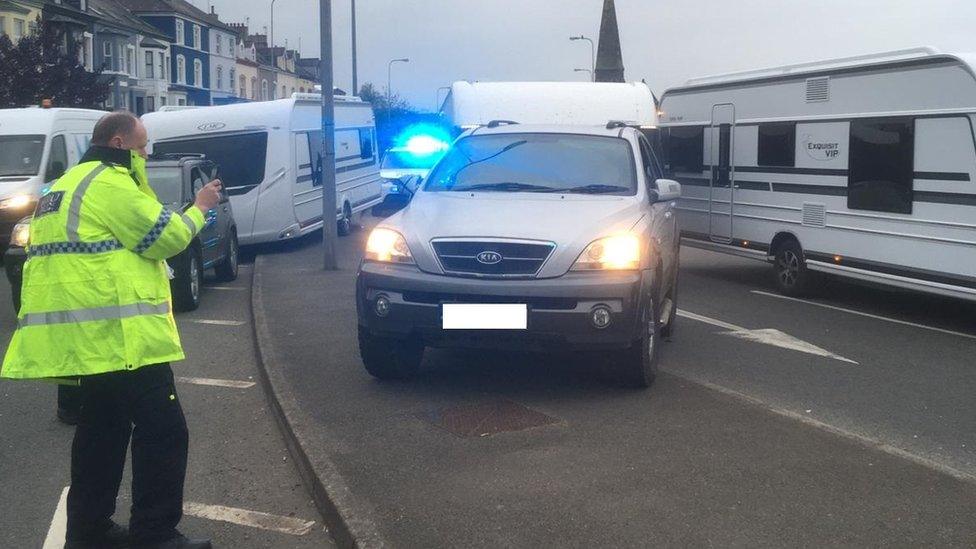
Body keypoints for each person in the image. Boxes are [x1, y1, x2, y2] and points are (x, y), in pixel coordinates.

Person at [1, 111, 220, 549]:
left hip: (86, 339)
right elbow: (167, 237)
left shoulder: (61, 186)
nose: (145, 154)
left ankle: (88, 529)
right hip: (123, 340)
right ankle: (154, 534)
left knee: (101, 432)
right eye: (141, 147)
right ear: (119, 144)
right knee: (164, 430)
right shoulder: (109, 184)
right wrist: (200, 209)